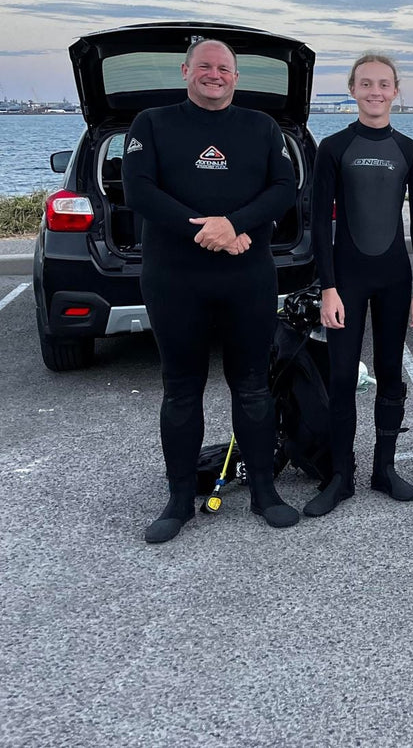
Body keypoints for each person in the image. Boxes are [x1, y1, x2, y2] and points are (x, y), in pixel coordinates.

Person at [124, 38, 299, 543]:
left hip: (247, 277)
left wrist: (235, 225)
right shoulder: (152, 123)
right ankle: (180, 500)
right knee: (181, 388)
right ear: (186, 71)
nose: (215, 74)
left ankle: (264, 491)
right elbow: (139, 190)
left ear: (236, 78)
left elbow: (284, 188)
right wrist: (208, 231)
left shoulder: (261, 127)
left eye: (224, 68)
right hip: (175, 278)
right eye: (205, 66)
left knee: (253, 386)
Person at [305, 53, 413, 518]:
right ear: (353, 89)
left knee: (390, 373)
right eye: (366, 84)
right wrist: (328, 287)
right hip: (347, 279)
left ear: (395, 91)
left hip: (395, 277)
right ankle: (341, 476)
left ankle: (384, 469)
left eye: (383, 84)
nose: (375, 92)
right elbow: (319, 222)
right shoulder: (333, 147)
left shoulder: (411, 150)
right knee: (341, 377)